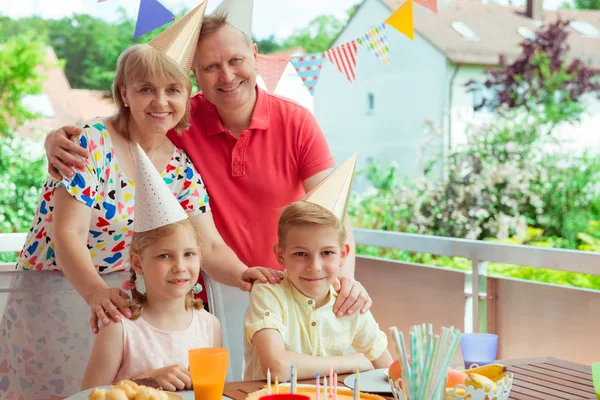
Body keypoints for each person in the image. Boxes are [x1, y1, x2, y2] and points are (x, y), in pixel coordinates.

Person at [0, 5, 275, 398]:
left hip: (122, 294)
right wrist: (95, 294)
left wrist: (243, 273)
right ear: (124, 93)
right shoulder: (87, 144)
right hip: (56, 289)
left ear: (187, 96)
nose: (160, 101)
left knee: (111, 392)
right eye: (147, 89)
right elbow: (69, 233)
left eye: (173, 90)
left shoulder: (180, 165)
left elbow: (209, 244)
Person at [44, 0, 372, 317]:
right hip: (189, 292)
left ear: (255, 56)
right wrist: (55, 139)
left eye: (235, 60)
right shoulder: (179, 121)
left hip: (281, 284)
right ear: (197, 77)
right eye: (212, 66)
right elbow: (126, 128)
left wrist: (344, 278)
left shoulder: (294, 121)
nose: (227, 76)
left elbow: (329, 210)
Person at [81, 146, 221, 392]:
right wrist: (144, 382)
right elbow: (87, 397)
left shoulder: (210, 325)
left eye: (189, 254)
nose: (180, 267)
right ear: (137, 263)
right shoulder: (120, 329)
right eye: (164, 256)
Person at [243, 156, 393, 381]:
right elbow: (277, 368)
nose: (314, 267)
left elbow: (389, 372)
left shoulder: (348, 300)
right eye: (301, 254)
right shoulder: (268, 292)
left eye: (327, 253)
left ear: (342, 254)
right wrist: (351, 362)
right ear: (280, 254)